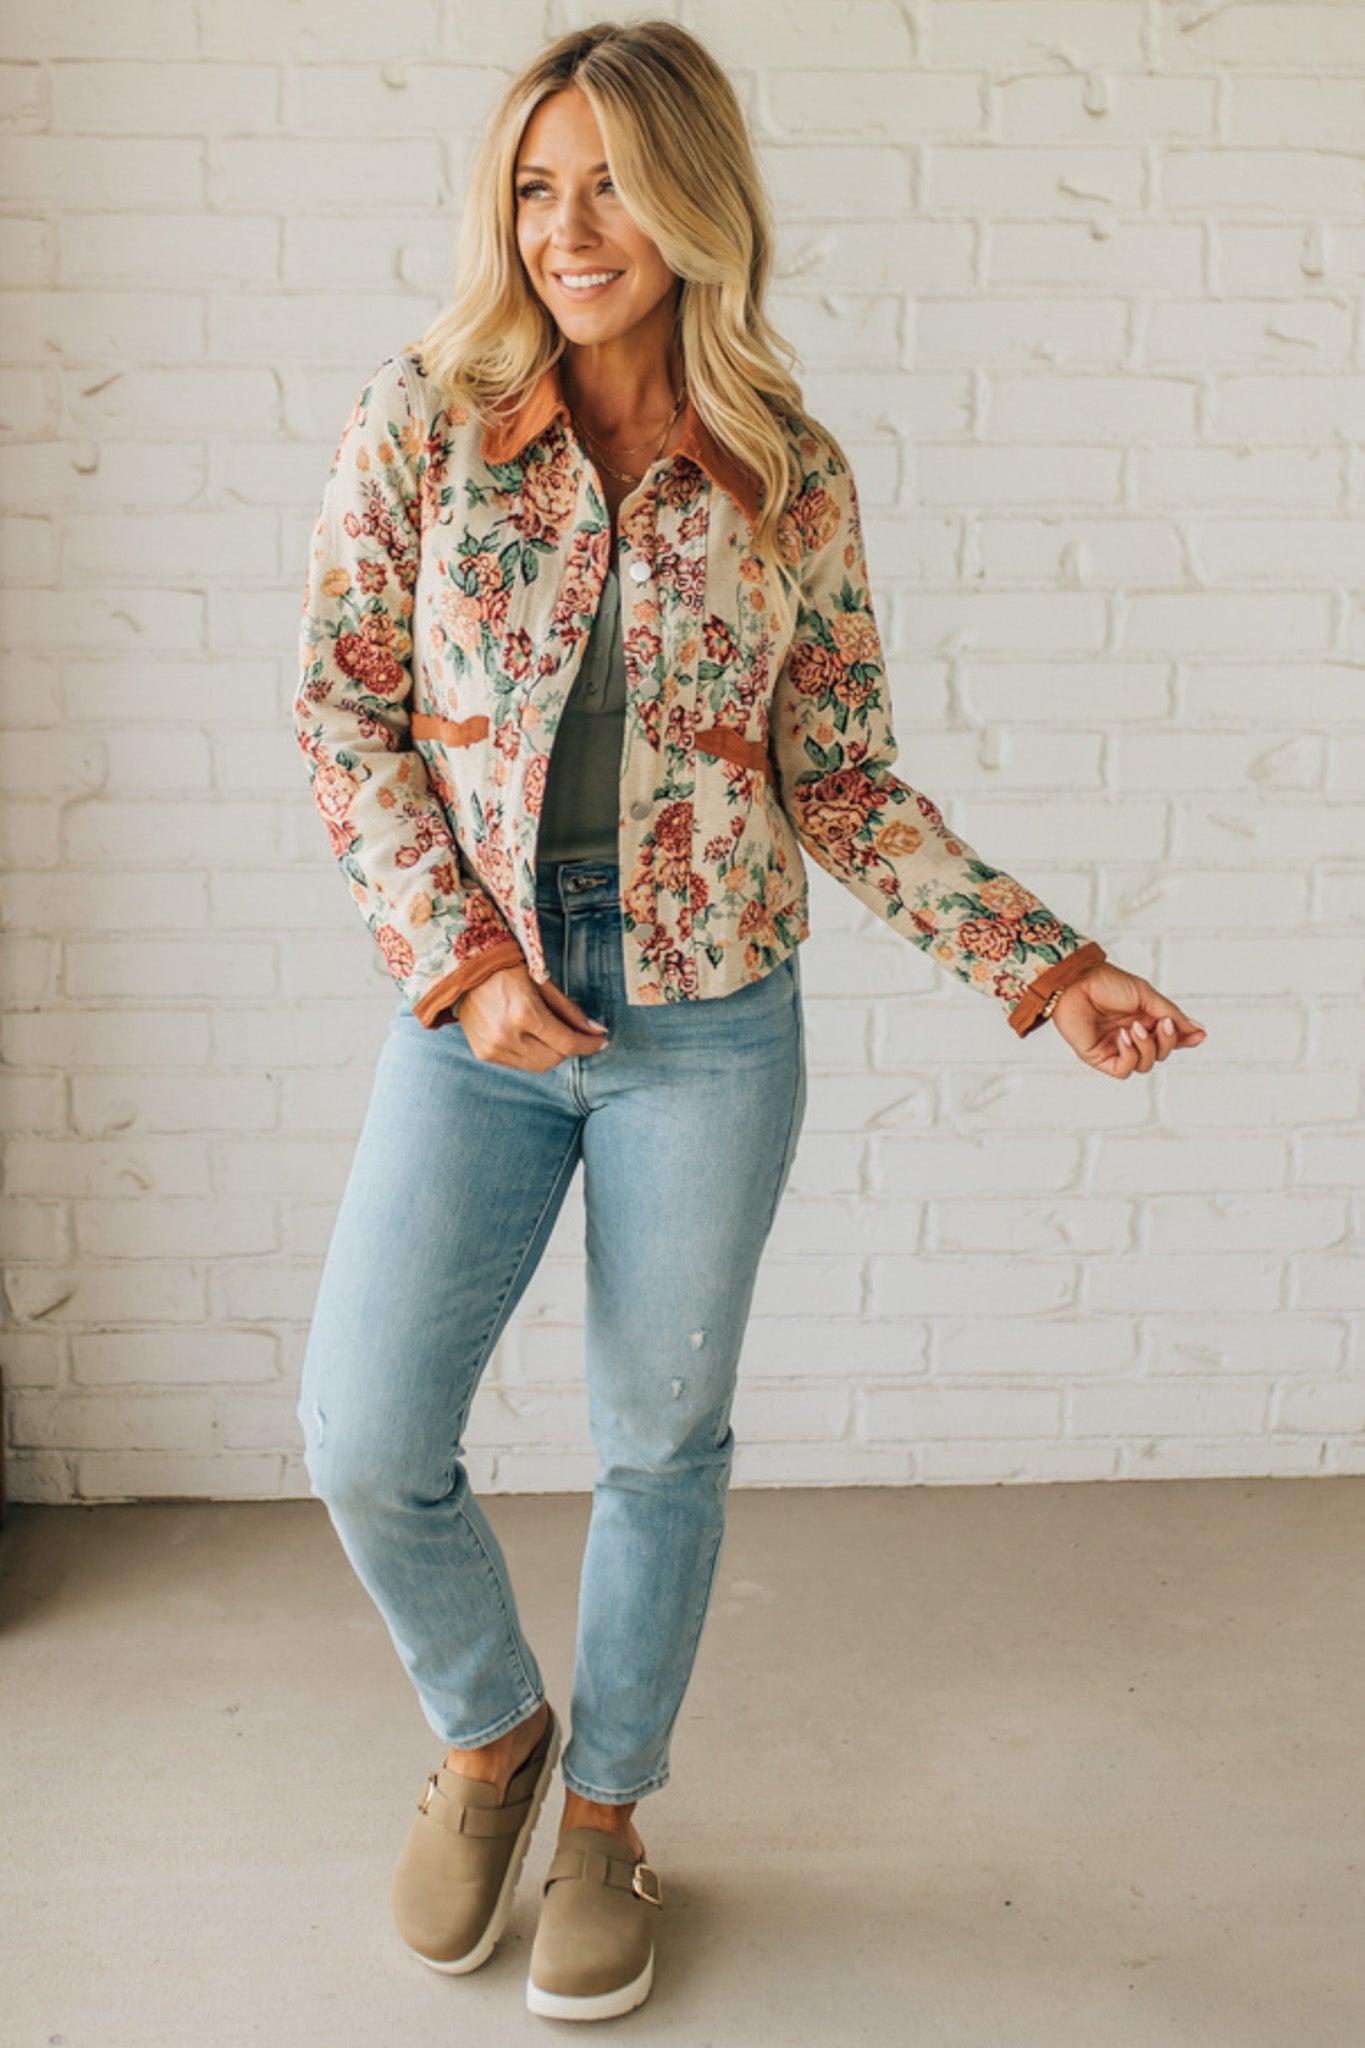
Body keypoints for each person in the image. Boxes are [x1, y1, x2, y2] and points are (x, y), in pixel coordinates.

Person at [292, 20, 1207, 2025]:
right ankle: (485, 1741)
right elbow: (346, 713)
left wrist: (1044, 967)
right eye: (537, 184)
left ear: (694, 198)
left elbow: (846, 779)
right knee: (363, 1434)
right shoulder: (425, 418)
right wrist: (457, 961)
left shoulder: (783, 468)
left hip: (709, 1026)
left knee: (658, 1440)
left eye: (612, 180)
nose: (570, 226)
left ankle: (608, 1810)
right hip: (478, 1011)